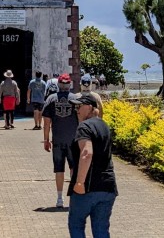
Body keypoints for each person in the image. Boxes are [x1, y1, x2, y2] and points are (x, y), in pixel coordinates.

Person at [66, 91, 117, 237]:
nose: (76, 111)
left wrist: (80, 182)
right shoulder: (105, 126)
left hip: (88, 187)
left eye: (79, 107)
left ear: (89, 107)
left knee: (76, 224)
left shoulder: (84, 127)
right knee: (101, 229)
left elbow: (87, 153)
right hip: (107, 186)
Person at [42, 73, 79, 208]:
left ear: (58, 84)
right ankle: (74, 197)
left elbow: (46, 123)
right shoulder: (76, 99)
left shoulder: (51, 99)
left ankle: (59, 198)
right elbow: (80, 121)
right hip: (73, 140)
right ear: (69, 84)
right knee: (73, 168)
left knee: (59, 169)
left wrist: (46, 140)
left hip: (57, 140)